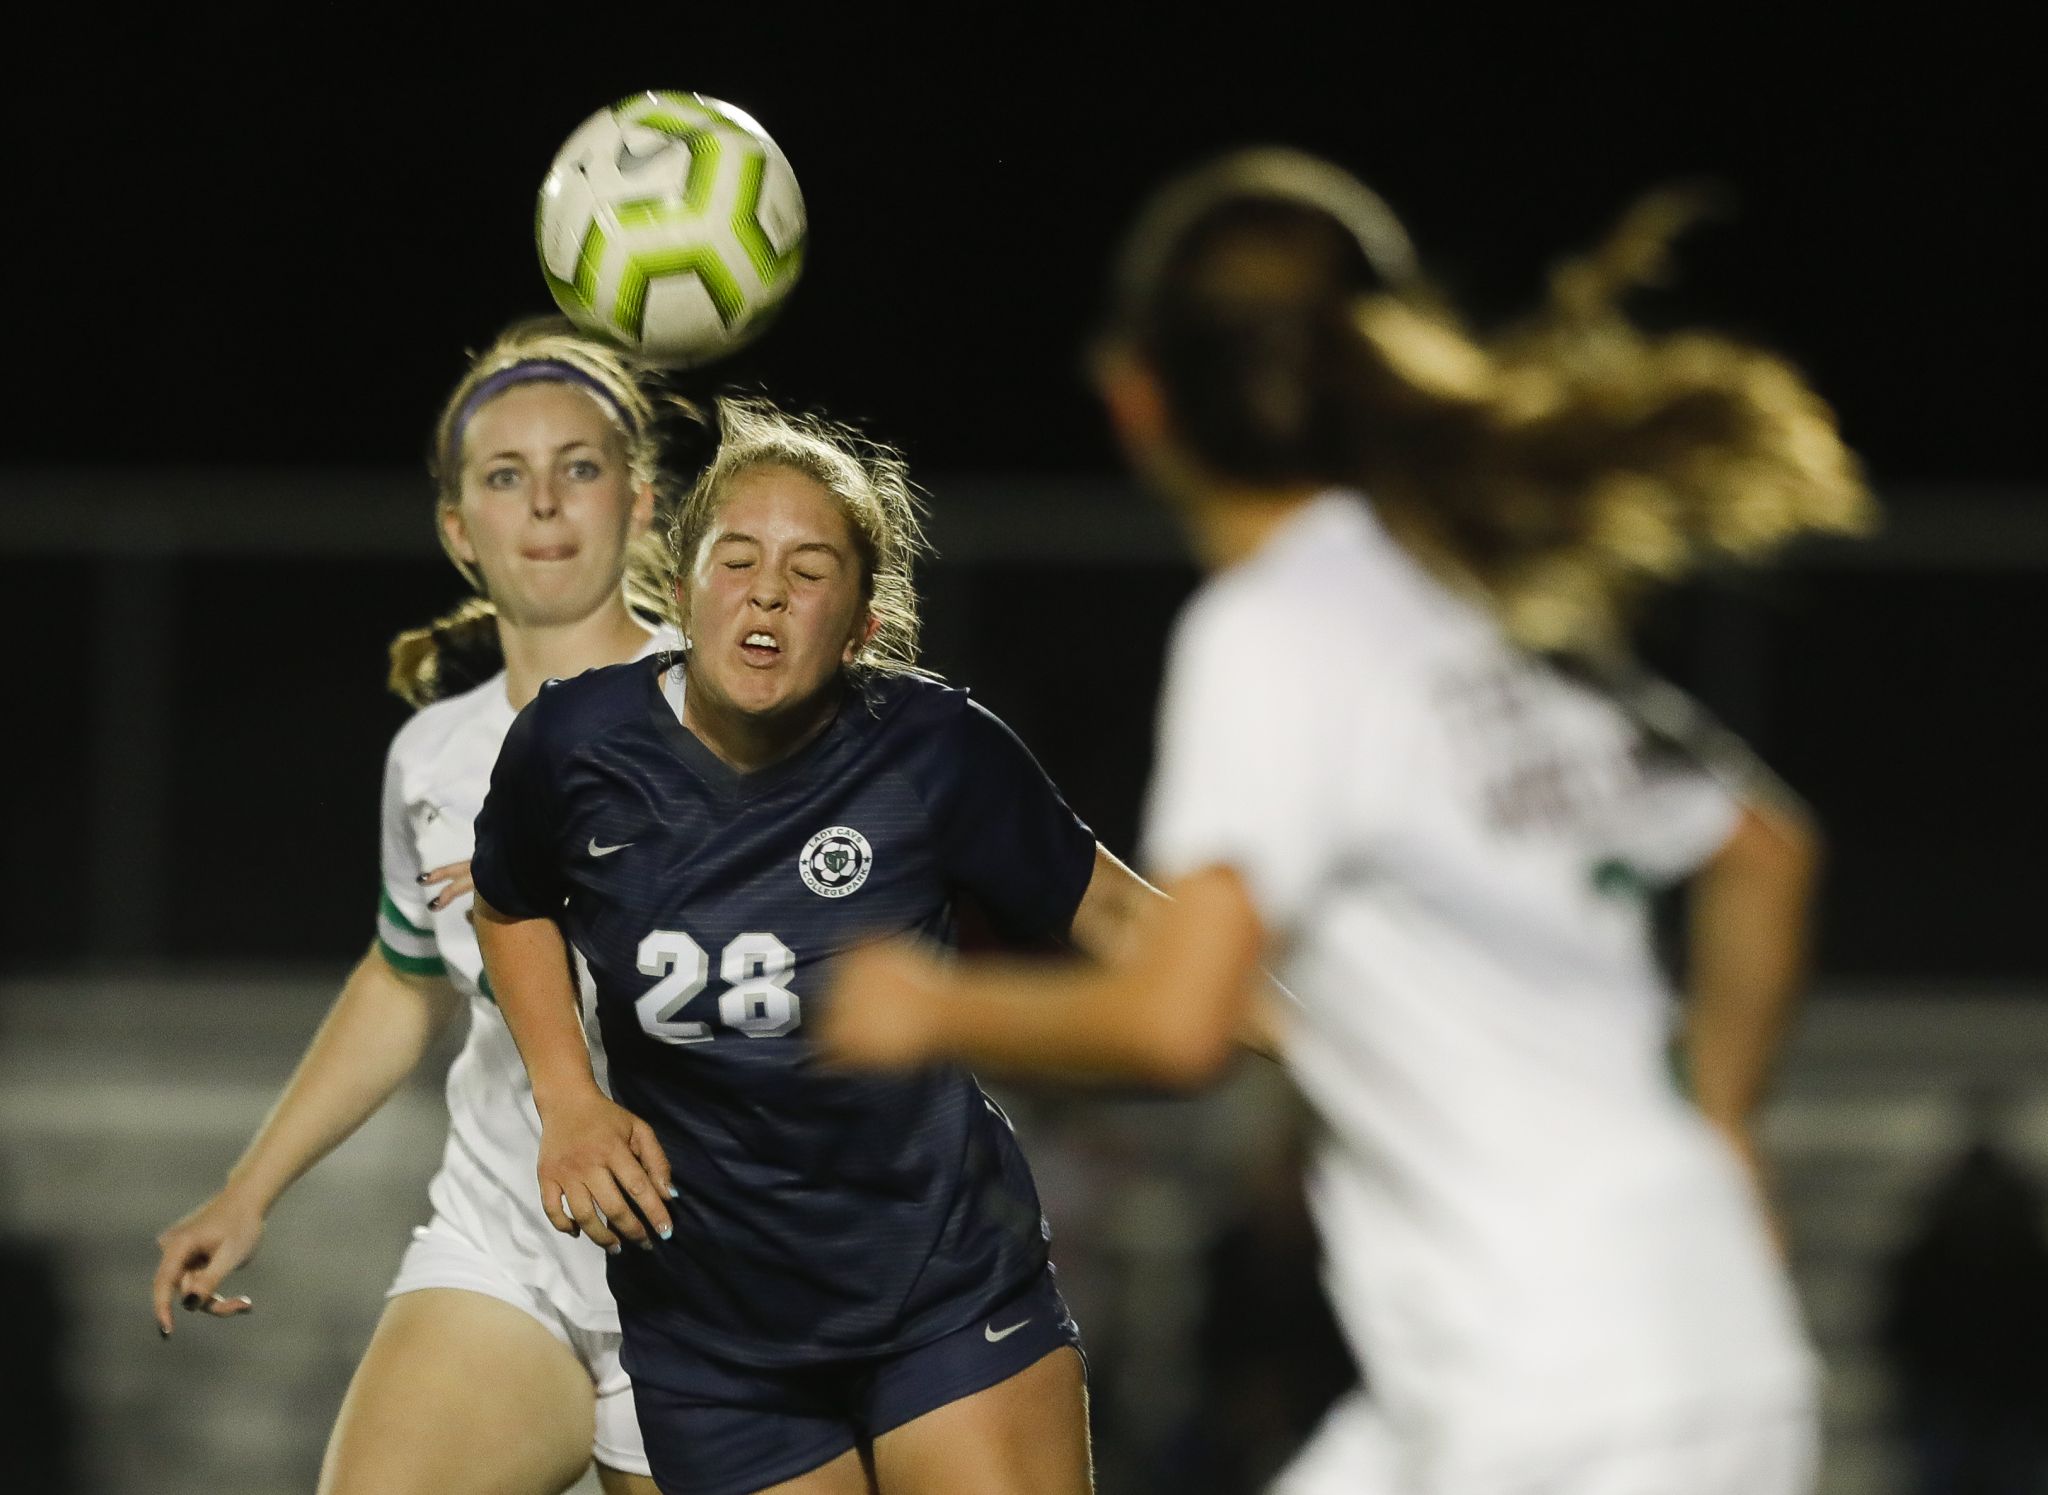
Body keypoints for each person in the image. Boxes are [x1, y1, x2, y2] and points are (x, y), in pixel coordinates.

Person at [820, 149, 1874, 1494]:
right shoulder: (1462, 589)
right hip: (1677, 1340)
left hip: (1555, 1394)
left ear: (1140, 400)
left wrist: (929, 1006)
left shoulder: (1272, 630)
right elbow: (1763, 854)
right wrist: (1717, 1130)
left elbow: (1177, 1016)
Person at [468, 395, 1178, 1495]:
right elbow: (509, 902)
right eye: (736, 556)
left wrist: (1352, 1040)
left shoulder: (933, 751)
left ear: (861, 625)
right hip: (716, 1343)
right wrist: (566, 1093)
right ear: (684, 588)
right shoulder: (572, 745)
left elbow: (1129, 923)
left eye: (808, 570)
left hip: (945, 1294)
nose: (765, 589)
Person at [151, 319, 698, 1495]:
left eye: (580, 467)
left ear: (642, 502)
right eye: (507, 476)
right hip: (511, 1244)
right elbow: (404, 980)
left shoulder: (727, 714)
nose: (545, 501)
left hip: (716, 1266)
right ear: (459, 529)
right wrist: (248, 1190)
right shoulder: (433, 757)